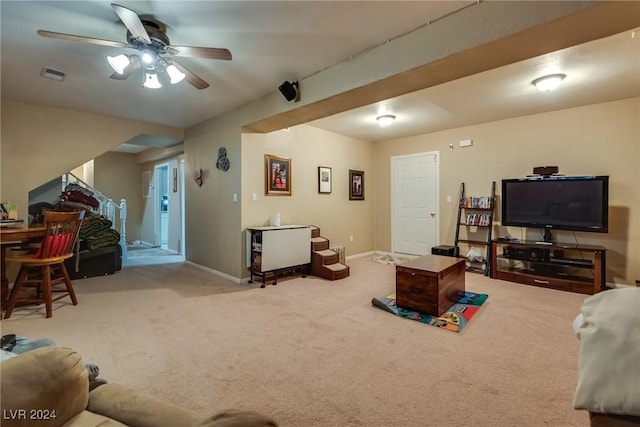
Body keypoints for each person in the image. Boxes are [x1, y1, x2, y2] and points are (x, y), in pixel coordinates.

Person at [1, 334, 106, 389]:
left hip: (7, 354)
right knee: (42, 367)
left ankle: (10, 347)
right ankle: (75, 381)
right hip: (8, 370)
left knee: (48, 343)